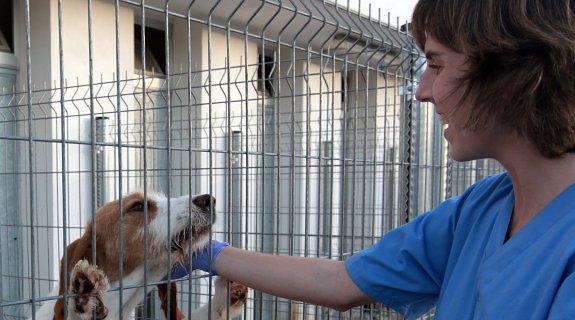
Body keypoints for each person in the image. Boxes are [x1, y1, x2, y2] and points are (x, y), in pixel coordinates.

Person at [170, 0, 575, 318]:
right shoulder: (483, 207)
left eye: (435, 64)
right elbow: (343, 282)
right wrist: (208, 254)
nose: (422, 91)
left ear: (513, 73)